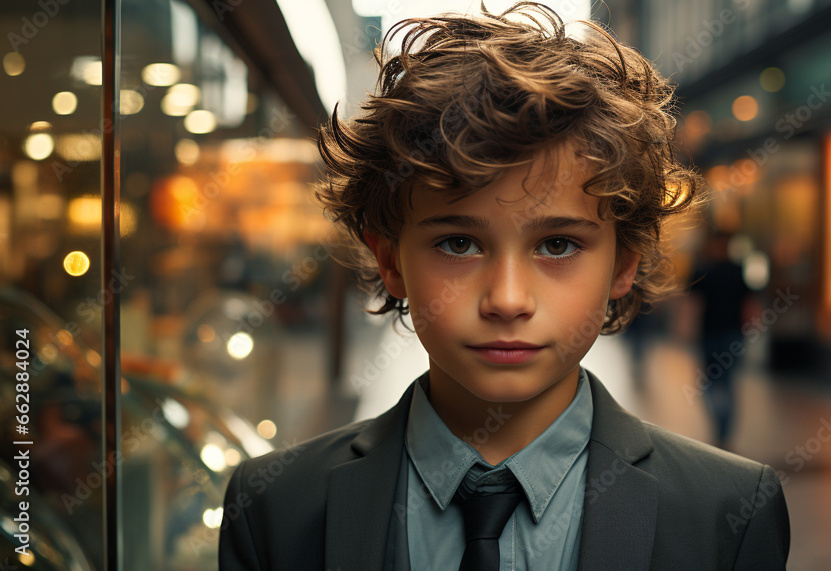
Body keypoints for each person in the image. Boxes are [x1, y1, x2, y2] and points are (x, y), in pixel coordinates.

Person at [218, 3, 790, 570]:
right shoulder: (275, 508)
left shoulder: (728, 512)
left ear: (623, 265)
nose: (508, 300)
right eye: (458, 244)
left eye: (558, 245)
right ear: (390, 261)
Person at [689, 230, 752, 449]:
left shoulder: (704, 269)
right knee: (725, 384)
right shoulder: (735, 269)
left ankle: (721, 430)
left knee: (712, 384)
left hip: (715, 334)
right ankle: (723, 432)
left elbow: (691, 303)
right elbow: (749, 302)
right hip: (729, 334)